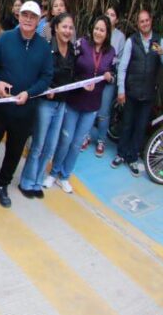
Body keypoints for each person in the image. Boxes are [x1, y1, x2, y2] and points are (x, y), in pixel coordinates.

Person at [0, 1, 54, 208]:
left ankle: (2, 186)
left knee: (14, 151)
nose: (28, 19)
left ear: (38, 20)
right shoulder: (5, 39)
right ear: (19, 17)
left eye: (32, 17)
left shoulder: (43, 46)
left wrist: (29, 93)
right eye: (25, 15)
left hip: (24, 109)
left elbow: (46, 77)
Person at [49, 15, 116, 192]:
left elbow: (112, 73)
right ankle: (53, 173)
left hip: (92, 105)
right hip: (73, 100)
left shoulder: (111, 52)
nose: (98, 32)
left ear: (107, 33)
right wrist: (80, 81)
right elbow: (69, 66)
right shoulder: (81, 44)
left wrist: (109, 76)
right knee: (65, 139)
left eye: (102, 30)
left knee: (77, 143)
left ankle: (64, 176)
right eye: (96, 28)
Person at [19, 13, 77, 198]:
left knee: (50, 146)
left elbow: (72, 77)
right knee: (38, 144)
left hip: (62, 104)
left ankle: (37, 181)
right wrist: (47, 88)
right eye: (64, 27)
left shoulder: (72, 51)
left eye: (70, 27)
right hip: (45, 103)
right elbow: (38, 74)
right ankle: (26, 182)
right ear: (56, 28)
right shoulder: (46, 49)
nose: (67, 31)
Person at [113, 9, 163, 176]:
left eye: (147, 20)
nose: (145, 23)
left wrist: (162, 52)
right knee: (127, 124)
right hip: (131, 91)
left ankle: (132, 157)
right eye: (141, 21)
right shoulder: (132, 41)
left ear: (150, 21)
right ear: (138, 24)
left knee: (140, 127)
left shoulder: (158, 41)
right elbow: (123, 66)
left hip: (148, 93)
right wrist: (121, 89)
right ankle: (120, 154)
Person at [85, 6, 128, 155]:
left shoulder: (120, 37)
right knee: (90, 107)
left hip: (109, 76)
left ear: (117, 19)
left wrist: (109, 64)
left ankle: (102, 140)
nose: (109, 17)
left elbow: (120, 59)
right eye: (107, 14)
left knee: (103, 110)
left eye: (113, 14)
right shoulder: (96, 32)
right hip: (94, 75)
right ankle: (87, 135)